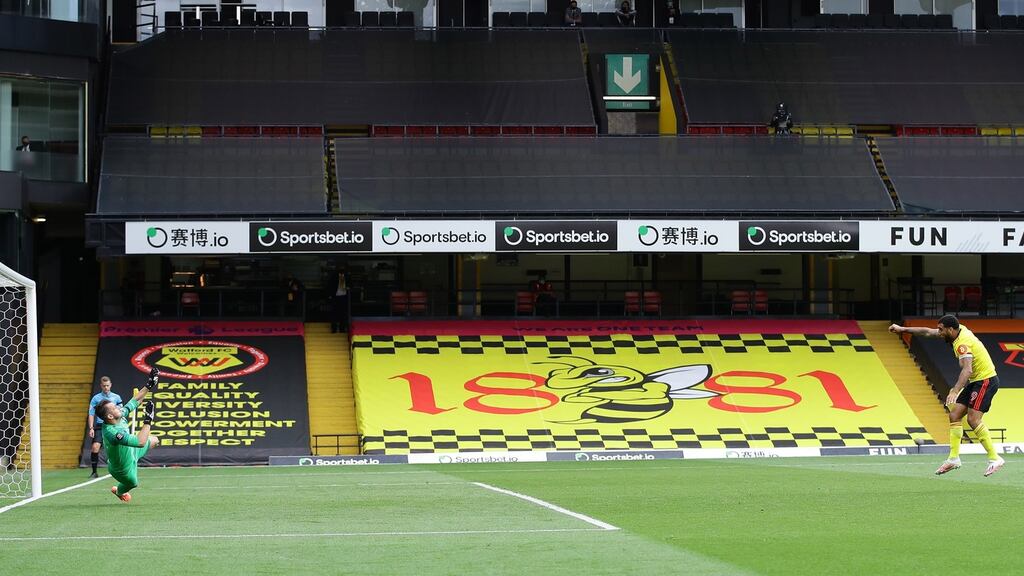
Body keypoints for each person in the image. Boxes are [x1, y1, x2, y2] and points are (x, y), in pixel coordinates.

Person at [889, 315, 1005, 477]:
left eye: (942, 330)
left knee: (973, 419)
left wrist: (954, 390)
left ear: (951, 329)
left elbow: (967, 370)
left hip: (985, 381)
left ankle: (995, 458)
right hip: (976, 381)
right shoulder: (957, 330)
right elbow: (927, 332)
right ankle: (954, 458)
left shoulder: (962, 344)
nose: (939, 333)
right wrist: (902, 329)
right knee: (955, 415)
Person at [95, 368, 160, 502]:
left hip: (132, 451)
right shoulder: (112, 433)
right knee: (132, 483)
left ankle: (134, 463)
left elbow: (134, 401)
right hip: (122, 469)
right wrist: (148, 419)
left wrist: (149, 385)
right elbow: (140, 442)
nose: (119, 407)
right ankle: (119, 491)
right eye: (115, 408)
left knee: (155, 440)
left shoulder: (117, 415)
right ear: (110, 416)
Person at [86, 376, 123, 478]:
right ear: (101, 386)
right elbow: (91, 413)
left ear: (110, 385)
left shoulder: (116, 397)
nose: (106, 387)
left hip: (113, 426)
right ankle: (94, 472)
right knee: (95, 447)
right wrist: (91, 428)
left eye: (107, 385)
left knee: (119, 447)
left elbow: (121, 412)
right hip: (100, 426)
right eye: (104, 386)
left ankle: (121, 468)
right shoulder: (96, 398)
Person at [326, 265, 349, 333]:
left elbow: (351, 284)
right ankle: (334, 329)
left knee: (343, 313)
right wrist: (330, 295)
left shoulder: (347, 276)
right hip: (335, 297)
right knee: (334, 313)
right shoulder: (334, 276)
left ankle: (342, 328)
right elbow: (329, 286)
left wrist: (348, 288)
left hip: (344, 297)